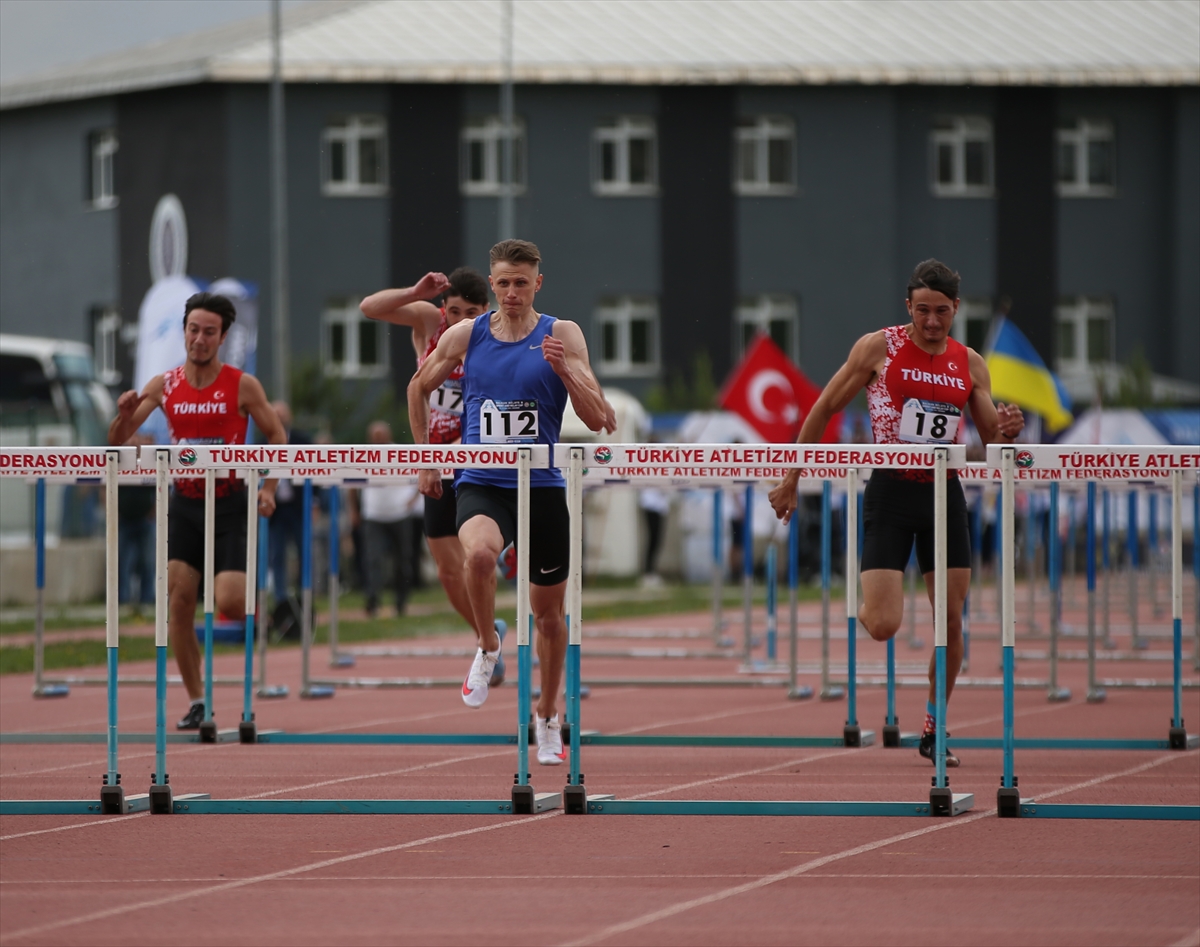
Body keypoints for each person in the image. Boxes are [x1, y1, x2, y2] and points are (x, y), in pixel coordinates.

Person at [768, 259, 1025, 767]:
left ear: (956, 310)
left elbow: (989, 437)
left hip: (944, 495)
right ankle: (864, 593)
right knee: (884, 624)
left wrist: (1006, 430)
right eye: (923, 311)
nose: (932, 322)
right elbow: (823, 407)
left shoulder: (970, 362)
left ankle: (934, 726)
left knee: (951, 622)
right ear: (909, 307)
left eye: (943, 312)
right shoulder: (878, 348)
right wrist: (792, 477)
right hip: (890, 491)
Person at [408, 239, 615, 765]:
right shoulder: (466, 334)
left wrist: (565, 371)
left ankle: (547, 716)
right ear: (493, 283)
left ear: (537, 283)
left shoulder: (561, 333)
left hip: (542, 486)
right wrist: (426, 456)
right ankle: (487, 645)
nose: (511, 292)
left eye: (520, 282)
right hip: (482, 478)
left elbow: (599, 418)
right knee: (478, 556)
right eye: (502, 282)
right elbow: (418, 387)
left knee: (549, 617)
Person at [108, 292, 286, 729]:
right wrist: (123, 416)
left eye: (209, 332)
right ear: (184, 331)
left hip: (230, 504)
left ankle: (259, 605)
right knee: (179, 603)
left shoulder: (243, 385)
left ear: (223, 336)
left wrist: (268, 489)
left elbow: (278, 438)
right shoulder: (163, 385)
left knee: (226, 600)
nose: (199, 339)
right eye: (193, 330)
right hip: (184, 504)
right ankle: (198, 700)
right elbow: (116, 443)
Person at [360, 268, 504, 670]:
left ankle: (496, 640)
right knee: (446, 571)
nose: (460, 321)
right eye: (454, 311)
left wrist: (445, 457)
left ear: (485, 311)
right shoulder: (429, 322)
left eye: (470, 313)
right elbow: (368, 308)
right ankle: (486, 637)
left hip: (474, 460)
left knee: (475, 557)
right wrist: (413, 291)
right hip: (435, 459)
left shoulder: (493, 337)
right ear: (444, 308)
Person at [355, 420, 420, 618]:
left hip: (399, 514)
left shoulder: (401, 453)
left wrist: (413, 499)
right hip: (373, 515)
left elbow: (422, 474)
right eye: (375, 437)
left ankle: (401, 601)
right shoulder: (363, 455)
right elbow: (350, 482)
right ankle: (373, 600)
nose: (378, 440)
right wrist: (354, 510)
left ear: (389, 435)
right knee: (372, 559)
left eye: (381, 436)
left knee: (403, 560)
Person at [267, 400, 310, 604]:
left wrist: (315, 501)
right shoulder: (261, 443)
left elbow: (317, 471)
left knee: (304, 551)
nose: (280, 418)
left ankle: (304, 594)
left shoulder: (303, 440)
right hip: (274, 508)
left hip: (298, 506)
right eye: (275, 414)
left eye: (282, 414)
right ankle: (281, 598)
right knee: (277, 553)